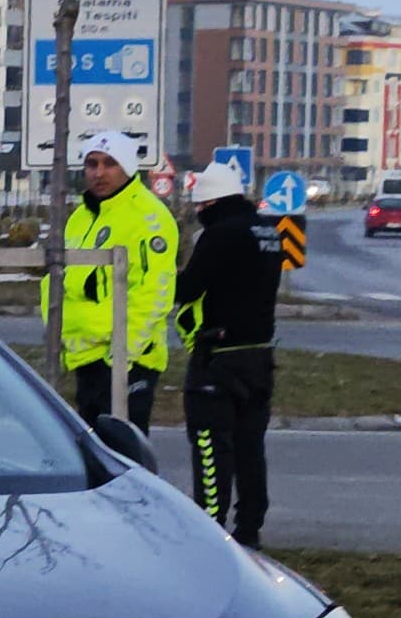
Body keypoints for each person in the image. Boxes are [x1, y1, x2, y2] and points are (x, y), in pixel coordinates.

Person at [172, 161, 280, 545]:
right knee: (251, 448)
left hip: (219, 358)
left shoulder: (220, 235)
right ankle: (250, 529)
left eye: (200, 207)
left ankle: (211, 531)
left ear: (211, 202)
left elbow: (187, 289)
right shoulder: (268, 231)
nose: (199, 215)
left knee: (211, 446)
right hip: (260, 356)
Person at [48, 130, 177, 428]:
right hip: (85, 359)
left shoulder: (148, 217)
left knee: (125, 457)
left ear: (128, 167)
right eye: (92, 164)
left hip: (127, 362)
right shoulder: (81, 217)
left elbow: (154, 293)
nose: (99, 172)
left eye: (110, 163)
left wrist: (121, 358)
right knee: (95, 460)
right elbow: (58, 282)